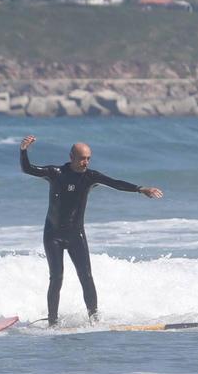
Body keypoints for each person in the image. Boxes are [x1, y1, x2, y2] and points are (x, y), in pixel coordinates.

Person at [20, 136, 163, 326]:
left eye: (88, 158)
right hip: (53, 235)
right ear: (71, 156)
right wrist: (23, 151)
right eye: (81, 158)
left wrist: (140, 188)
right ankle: (52, 323)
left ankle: (94, 320)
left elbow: (115, 183)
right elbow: (28, 169)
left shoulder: (90, 177)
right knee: (56, 278)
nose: (85, 162)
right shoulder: (56, 172)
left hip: (75, 234)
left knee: (86, 277)